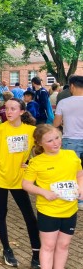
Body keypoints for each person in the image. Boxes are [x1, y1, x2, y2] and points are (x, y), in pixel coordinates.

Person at [0, 98, 41, 268]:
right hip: (0, 178)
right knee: (2, 212)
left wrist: (32, 162)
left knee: (30, 217)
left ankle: (37, 255)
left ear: (22, 112)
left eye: (13, 109)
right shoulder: (0, 129)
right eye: (6, 109)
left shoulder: (32, 131)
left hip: (20, 180)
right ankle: (7, 250)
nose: (9, 112)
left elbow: (41, 150)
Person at [22, 125, 82, 269]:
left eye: (57, 137)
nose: (55, 143)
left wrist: (81, 188)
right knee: (48, 246)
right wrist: (43, 192)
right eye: (49, 140)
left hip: (69, 209)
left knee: (64, 245)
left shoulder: (71, 155)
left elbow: (79, 174)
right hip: (48, 211)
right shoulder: (36, 162)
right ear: (40, 143)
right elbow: (26, 184)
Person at [53, 74, 83, 210]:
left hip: (70, 139)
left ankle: (76, 198)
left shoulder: (64, 102)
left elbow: (56, 123)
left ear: (71, 86)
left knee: (72, 171)